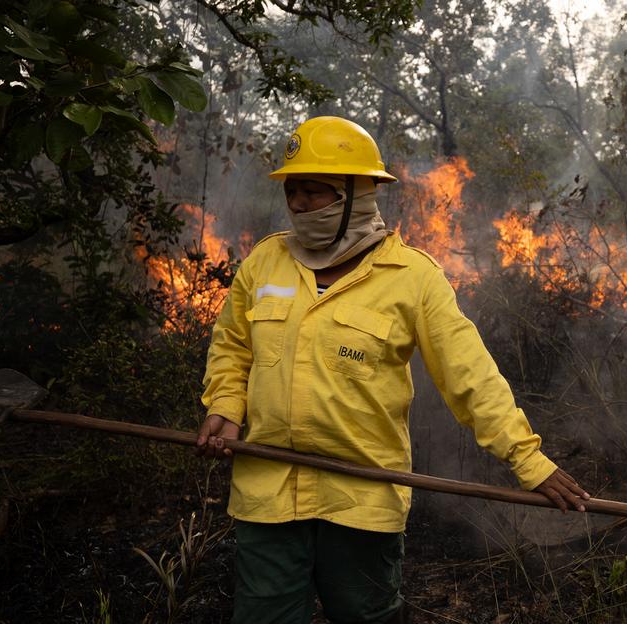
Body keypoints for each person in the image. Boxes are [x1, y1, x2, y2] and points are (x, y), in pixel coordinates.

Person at [195, 116, 590, 624]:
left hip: (359, 498)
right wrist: (225, 406)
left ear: (357, 196)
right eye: (293, 191)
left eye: (315, 192)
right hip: (266, 495)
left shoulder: (412, 277)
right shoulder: (264, 263)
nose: (298, 204)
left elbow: (470, 376)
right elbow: (232, 346)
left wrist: (529, 462)